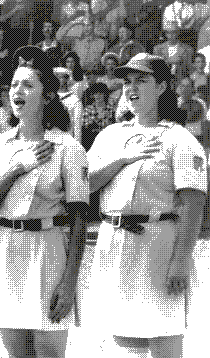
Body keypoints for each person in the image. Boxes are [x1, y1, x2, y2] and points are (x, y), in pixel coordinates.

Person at [0, 45, 89, 358]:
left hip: (49, 250)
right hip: (6, 248)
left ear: (47, 96)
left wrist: (69, 282)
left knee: (49, 353)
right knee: (16, 354)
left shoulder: (67, 148)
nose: (17, 91)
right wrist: (15, 169)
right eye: (13, 85)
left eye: (28, 85)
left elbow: (79, 222)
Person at [85, 53, 207, 358]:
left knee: (163, 339)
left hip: (158, 244)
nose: (131, 88)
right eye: (127, 81)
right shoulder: (109, 136)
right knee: (125, 343)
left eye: (142, 80)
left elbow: (194, 204)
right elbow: (83, 186)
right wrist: (122, 159)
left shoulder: (179, 139)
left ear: (163, 86)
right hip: (113, 241)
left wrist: (180, 261)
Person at [82, 82, 117, 152]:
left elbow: (114, 128)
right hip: (91, 144)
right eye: (95, 93)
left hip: (108, 143)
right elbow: (85, 128)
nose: (97, 96)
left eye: (100, 93)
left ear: (105, 94)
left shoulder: (112, 109)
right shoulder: (88, 109)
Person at [54, 66, 83, 144]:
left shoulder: (75, 100)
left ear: (67, 79)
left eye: (61, 77)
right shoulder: (49, 98)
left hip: (66, 141)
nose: (58, 80)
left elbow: (77, 127)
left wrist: (77, 146)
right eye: (56, 77)